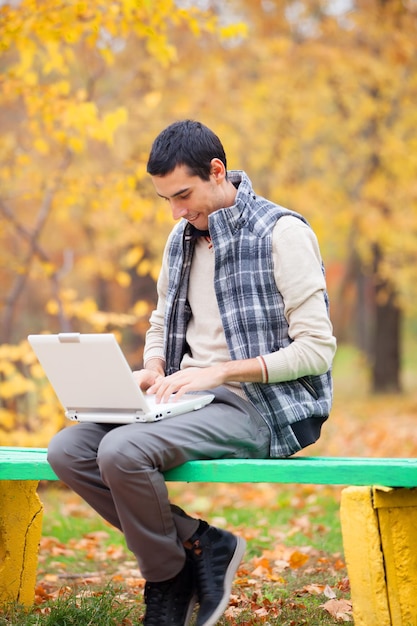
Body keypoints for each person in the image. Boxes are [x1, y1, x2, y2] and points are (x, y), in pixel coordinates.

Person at [48, 120, 336, 626]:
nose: (178, 212)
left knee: (122, 451)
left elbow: (317, 351)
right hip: (184, 396)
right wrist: (153, 366)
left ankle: (165, 578)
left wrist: (219, 372)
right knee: (67, 450)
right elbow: (163, 319)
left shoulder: (282, 232)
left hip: (262, 405)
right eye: (167, 201)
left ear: (217, 172)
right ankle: (200, 546)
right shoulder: (180, 238)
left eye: (183, 195)